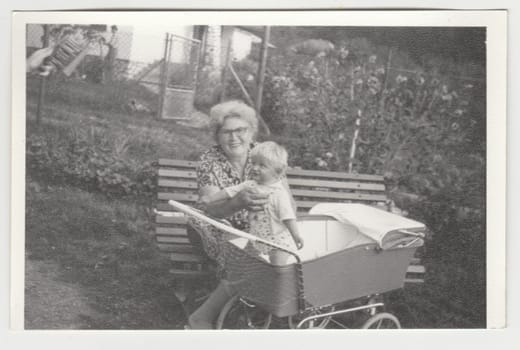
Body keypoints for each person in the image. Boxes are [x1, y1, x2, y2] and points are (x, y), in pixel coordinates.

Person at [187, 100, 286, 329]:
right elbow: (211, 209)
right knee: (241, 259)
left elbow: (282, 194)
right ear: (217, 136)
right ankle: (202, 317)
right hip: (212, 223)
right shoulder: (209, 161)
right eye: (226, 132)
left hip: (252, 226)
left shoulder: (265, 155)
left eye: (240, 130)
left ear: (251, 132)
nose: (234, 138)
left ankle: (249, 311)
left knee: (272, 251)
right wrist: (237, 203)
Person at [200, 141, 304, 265]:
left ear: (277, 171)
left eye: (262, 165)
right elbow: (229, 191)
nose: (255, 168)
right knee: (247, 261)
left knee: (277, 263)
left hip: (277, 241)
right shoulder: (250, 184)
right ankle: (250, 279)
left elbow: (288, 217)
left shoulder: (278, 193)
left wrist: (296, 235)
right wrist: (211, 199)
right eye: (253, 163)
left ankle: (277, 281)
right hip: (256, 236)